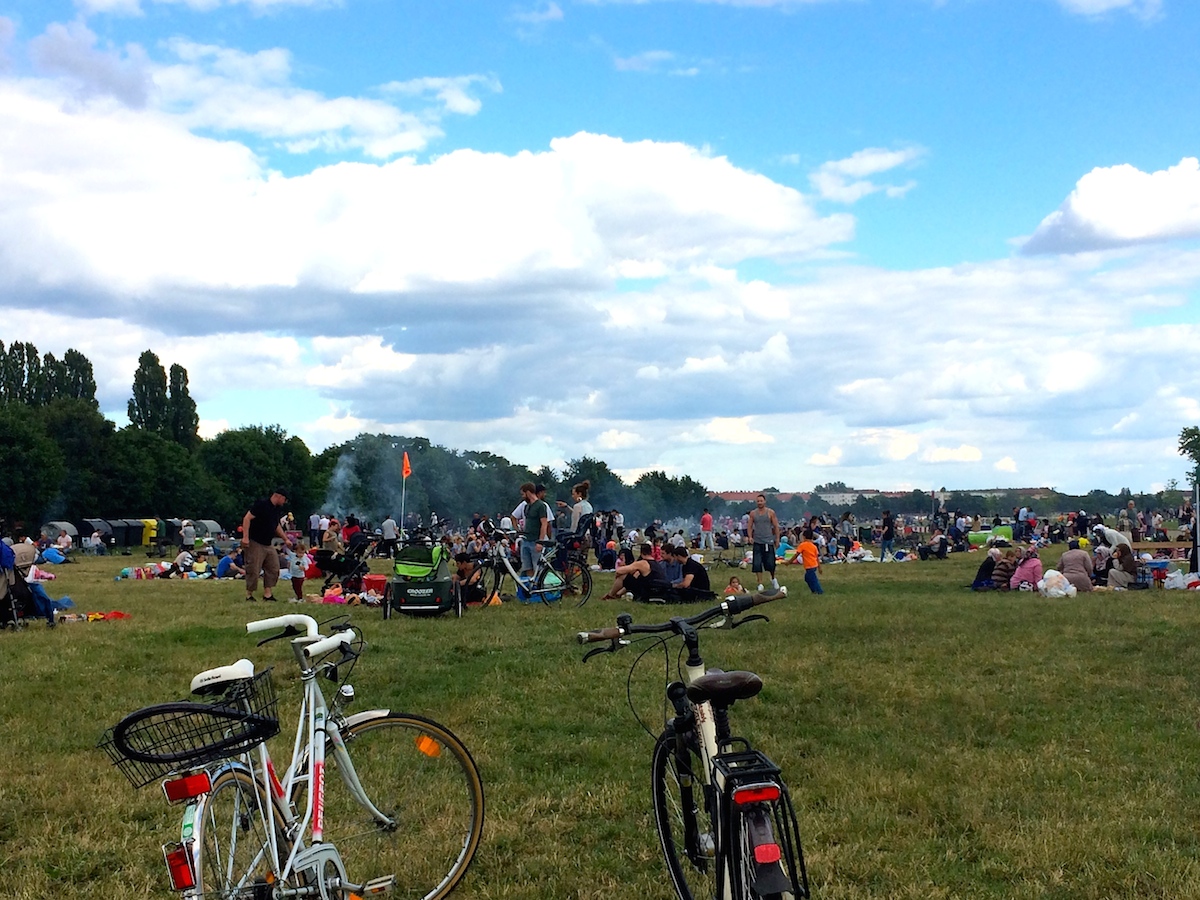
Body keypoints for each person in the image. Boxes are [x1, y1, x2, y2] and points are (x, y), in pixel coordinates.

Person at [241, 487, 292, 602]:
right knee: (254, 568)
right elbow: (247, 518)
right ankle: (249, 594)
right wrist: (245, 537)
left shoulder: (276, 509)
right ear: (278, 496)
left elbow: (276, 525)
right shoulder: (261, 505)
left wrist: (285, 539)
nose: (284, 502)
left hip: (268, 543)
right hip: (255, 541)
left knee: (273, 568)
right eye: (284, 499)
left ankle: (267, 594)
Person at [747, 494, 781, 591]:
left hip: (768, 541)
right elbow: (749, 526)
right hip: (757, 541)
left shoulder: (770, 513)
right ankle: (760, 583)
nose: (759, 503)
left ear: (764, 501)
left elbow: (776, 526)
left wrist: (777, 539)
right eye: (758, 501)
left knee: (770, 563)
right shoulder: (753, 513)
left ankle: (773, 579)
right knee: (757, 563)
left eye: (761, 501)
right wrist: (750, 536)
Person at [518, 482, 551, 578]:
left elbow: (544, 524)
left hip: (535, 540)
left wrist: (540, 541)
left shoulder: (541, 506)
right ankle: (531, 585)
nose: (523, 496)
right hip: (526, 540)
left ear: (528, 492)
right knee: (527, 567)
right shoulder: (527, 506)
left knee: (537, 567)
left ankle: (539, 585)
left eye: (523, 494)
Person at [797, 529, 822, 594]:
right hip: (814, 565)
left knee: (813, 580)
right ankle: (813, 590)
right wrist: (819, 567)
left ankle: (819, 591)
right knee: (807, 578)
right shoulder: (814, 546)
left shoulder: (802, 545)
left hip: (809, 566)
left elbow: (796, 554)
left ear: (804, 537)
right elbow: (817, 558)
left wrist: (789, 562)